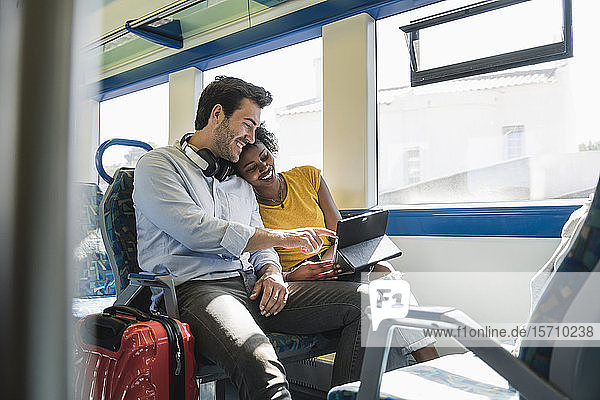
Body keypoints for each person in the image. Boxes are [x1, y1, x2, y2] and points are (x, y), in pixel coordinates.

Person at [133, 76, 381, 400]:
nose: (251, 136)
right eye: (248, 125)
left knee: (369, 303)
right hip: (195, 290)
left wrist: (273, 272)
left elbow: (261, 248)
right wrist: (284, 238)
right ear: (217, 114)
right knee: (261, 361)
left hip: (252, 285)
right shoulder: (159, 165)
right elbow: (195, 230)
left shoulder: (239, 184)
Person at [235, 124, 439, 361]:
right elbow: (261, 260)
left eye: (265, 156)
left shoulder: (308, 177)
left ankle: (426, 363)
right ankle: (427, 364)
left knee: (386, 273)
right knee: (375, 300)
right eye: (252, 168)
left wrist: (327, 263)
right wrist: (293, 274)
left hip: (333, 262)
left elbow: (338, 234)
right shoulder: (247, 206)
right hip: (298, 278)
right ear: (240, 177)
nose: (265, 167)